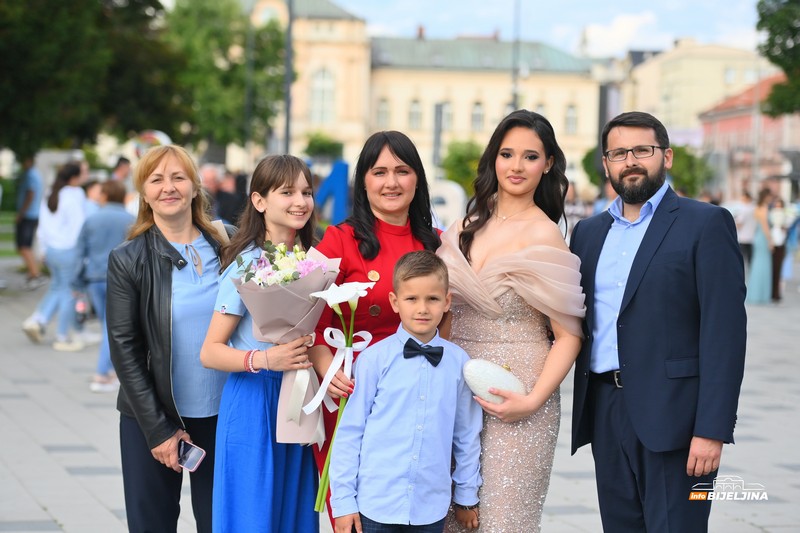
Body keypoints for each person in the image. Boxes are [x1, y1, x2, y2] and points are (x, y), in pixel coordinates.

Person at [569, 111, 747, 532]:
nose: (630, 160)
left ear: (666, 156)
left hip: (679, 421)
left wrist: (712, 430)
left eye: (642, 150)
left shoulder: (706, 223)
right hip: (606, 410)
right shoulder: (588, 233)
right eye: (618, 153)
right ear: (606, 163)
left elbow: (725, 334)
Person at [436, 109, 585, 532]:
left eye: (530, 156)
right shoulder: (461, 227)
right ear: (493, 159)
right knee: (447, 522)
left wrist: (532, 401)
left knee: (503, 522)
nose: (516, 166)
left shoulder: (545, 234)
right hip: (454, 390)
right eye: (507, 154)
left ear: (549, 163)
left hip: (516, 396)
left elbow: (568, 336)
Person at [308, 130, 441, 521]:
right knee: (354, 517)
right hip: (353, 397)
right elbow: (305, 318)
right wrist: (325, 367)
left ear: (417, 178)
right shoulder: (337, 240)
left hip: (417, 396)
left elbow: (447, 320)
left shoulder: (437, 245)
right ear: (363, 181)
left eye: (402, 170)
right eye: (379, 171)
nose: (391, 182)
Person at [106, 145, 230, 533]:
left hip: (222, 414)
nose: (169, 187)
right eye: (156, 179)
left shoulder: (228, 246)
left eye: (178, 177)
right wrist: (158, 429)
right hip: (153, 416)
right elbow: (124, 349)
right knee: (152, 525)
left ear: (195, 187)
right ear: (143, 192)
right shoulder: (129, 258)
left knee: (221, 524)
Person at [200, 155, 320, 533]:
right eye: (287, 192)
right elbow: (210, 351)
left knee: (295, 514)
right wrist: (265, 359)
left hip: (298, 397)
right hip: (253, 400)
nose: (300, 201)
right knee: (251, 516)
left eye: (306, 191)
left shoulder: (312, 262)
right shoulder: (246, 266)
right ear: (259, 201)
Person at [330, 250, 482, 533]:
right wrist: (343, 502)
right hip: (375, 503)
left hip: (430, 507)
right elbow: (351, 432)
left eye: (432, 299)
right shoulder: (374, 359)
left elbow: (466, 433)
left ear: (447, 302)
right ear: (395, 302)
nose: (422, 309)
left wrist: (466, 496)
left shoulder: (459, 362)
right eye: (412, 299)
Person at [73, 180, 134, 392]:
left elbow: (80, 253)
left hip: (95, 279)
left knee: (108, 326)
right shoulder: (131, 220)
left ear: (106, 195)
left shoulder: (91, 219)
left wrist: (76, 281)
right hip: (122, 280)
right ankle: (103, 373)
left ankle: (107, 372)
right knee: (114, 328)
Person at [22, 162, 88, 351]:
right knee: (69, 293)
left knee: (57, 287)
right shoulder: (75, 195)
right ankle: (61, 336)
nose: (86, 175)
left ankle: (37, 320)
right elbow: (78, 227)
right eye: (84, 172)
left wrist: (42, 249)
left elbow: (42, 226)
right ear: (74, 177)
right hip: (69, 251)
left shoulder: (52, 192)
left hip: (51, 250)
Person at [14, 155, 45, 289]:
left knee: (23, 246)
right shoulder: (36, 174)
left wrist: (21, 213)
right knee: (26, 246)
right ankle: (33, 273)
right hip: (33, 214)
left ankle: (35, 274)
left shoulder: (30, 175)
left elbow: (31, 194)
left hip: (28, 215)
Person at [746, 189, 773, 305]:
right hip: (762, 238)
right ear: (766, 196)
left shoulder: (757, 208)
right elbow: (765, 226)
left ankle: (756, 293)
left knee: (757, 264)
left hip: (757, 237)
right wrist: (770, 240)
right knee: (763, 265)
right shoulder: (764, 208)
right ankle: (761, 294)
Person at [769, 196, 789, 302]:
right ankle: (772, 292)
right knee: (773, 269)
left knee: (777, 269)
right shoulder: (771, 213)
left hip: (780, 242)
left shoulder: (784, 214)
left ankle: (775, 292)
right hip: (774, 242)